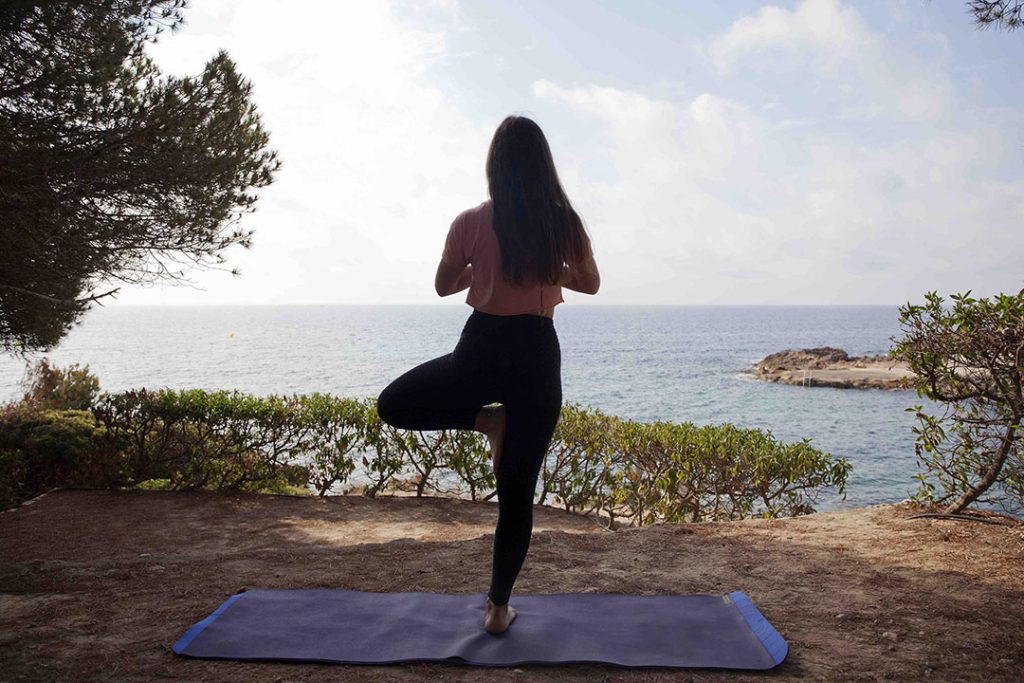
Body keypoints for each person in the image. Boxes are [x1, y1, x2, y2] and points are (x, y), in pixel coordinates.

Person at [376, 115, 601, 635]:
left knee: (394, 404)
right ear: (545, 166)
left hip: (481, 349)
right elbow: (589, 283)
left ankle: (483, 419)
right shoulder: (564, 223)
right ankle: (498, 610)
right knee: (517, 493)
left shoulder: (471, 222)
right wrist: (552, 269)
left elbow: (443, 285)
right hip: (536, 357)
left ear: (493, 166)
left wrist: (480, 270)